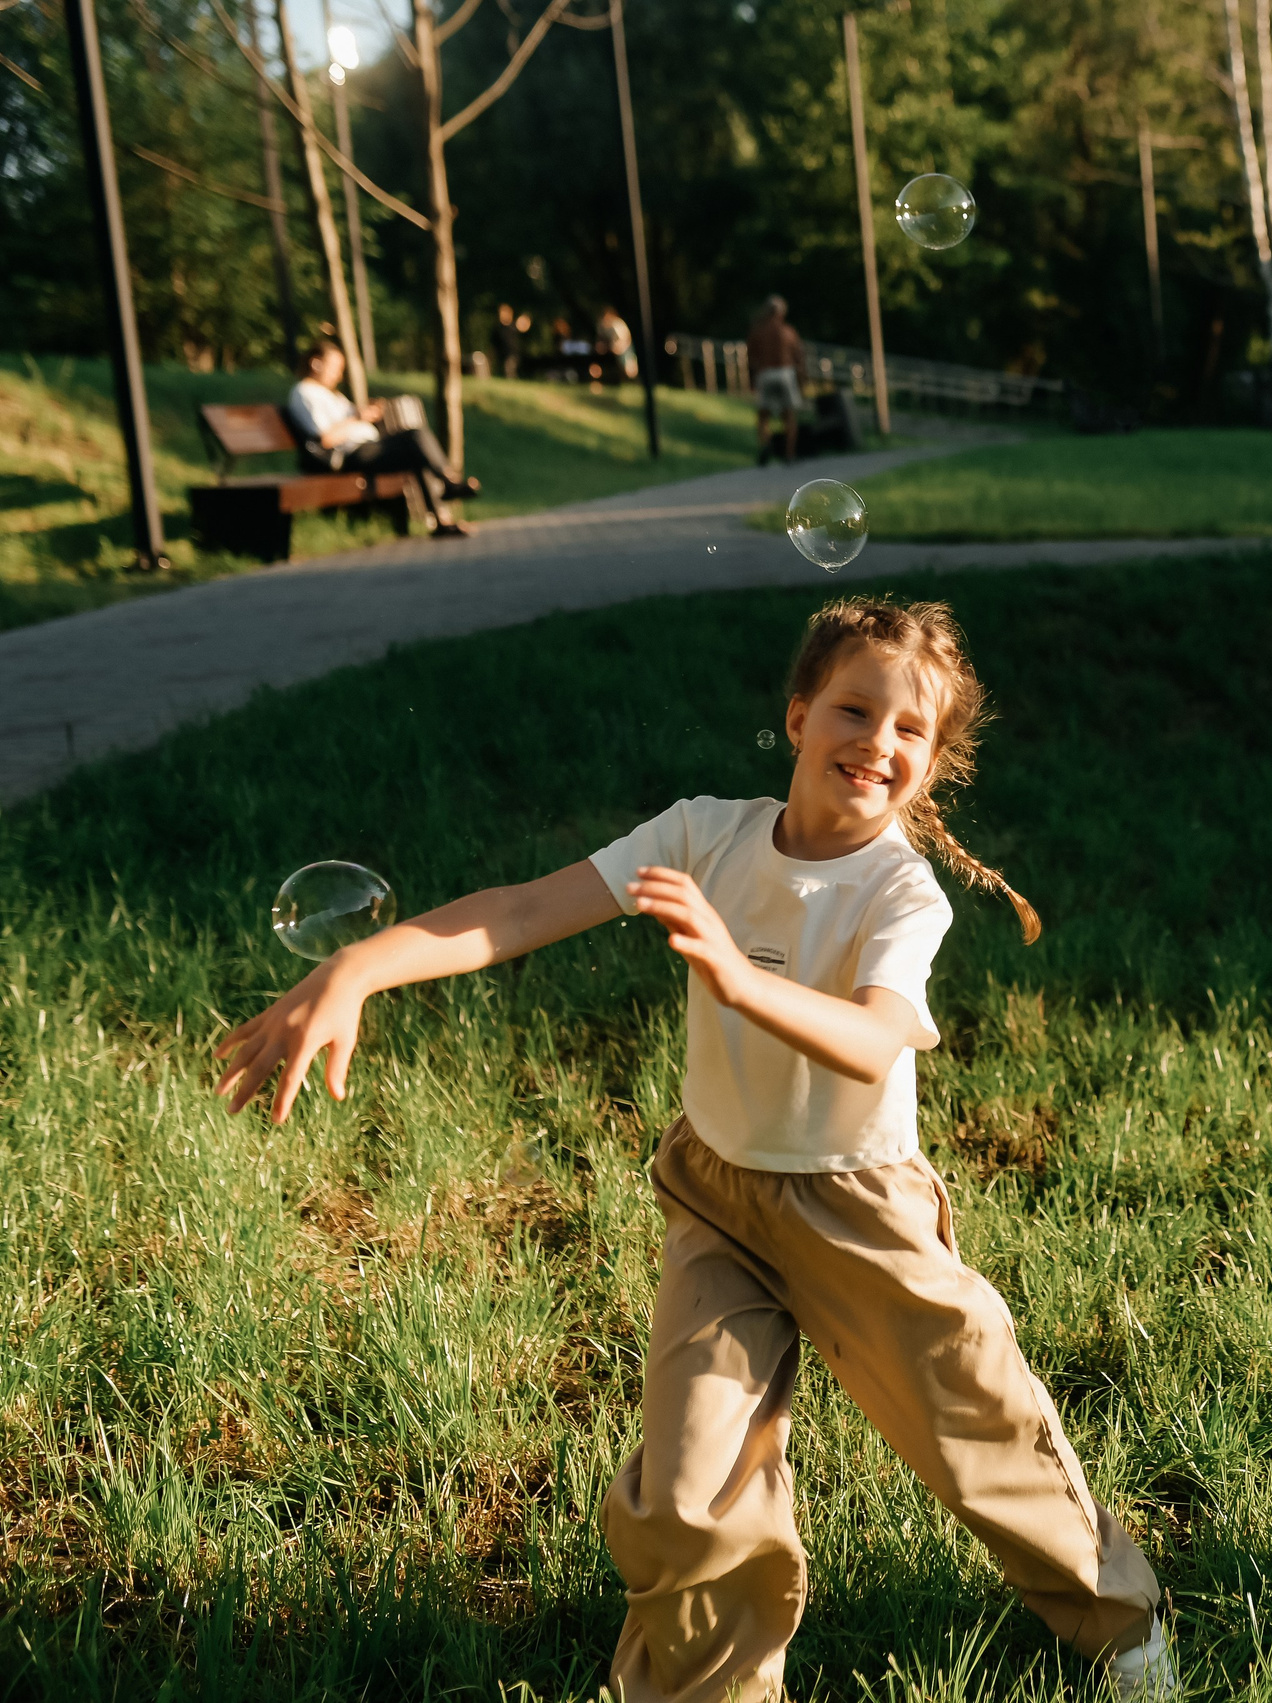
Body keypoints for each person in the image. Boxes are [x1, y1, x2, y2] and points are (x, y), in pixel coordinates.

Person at [209, 596, 1177, 1703]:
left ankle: (1123, 1622)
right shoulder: (703, 832)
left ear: (933, 762)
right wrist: (358, 968)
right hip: (718, 1194)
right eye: (855, 709)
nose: (879, 741)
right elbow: (525, 908)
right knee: (683, 1493)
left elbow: (871, 1038)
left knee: (979, 1432)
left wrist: (738, 975)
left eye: (913, 730)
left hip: (858, 1205)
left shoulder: (900, 891)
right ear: (800, 714)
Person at [285, 341, 474, 537]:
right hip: (350, 454)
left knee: (416, 452)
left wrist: (369, 412)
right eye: (335, 368)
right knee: (415, 436)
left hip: (366, 448)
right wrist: (358, 418)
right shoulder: (305, 393)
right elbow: (325, 439)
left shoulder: (330, 394)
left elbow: (351, 417)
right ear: (316, 364)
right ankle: (449, 482)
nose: (339, 375)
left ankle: (442, 520)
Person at [748, 294, 804, 465]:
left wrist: (752, 381)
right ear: (782, 313)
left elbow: (750, 359)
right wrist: (802, 382)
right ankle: (789, 454)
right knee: (789, 416)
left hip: (765, 374)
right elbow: (799, 358)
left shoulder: (758, 332)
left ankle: (765, 444)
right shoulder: (789, 332)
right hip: (785, 374)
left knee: (763, 416)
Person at [598, 305, 637, 381]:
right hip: (612, 349)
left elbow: (625, 339)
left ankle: (633, 380)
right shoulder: (602, 325)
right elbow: (601, 339)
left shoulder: (617, 324)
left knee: (629, 368)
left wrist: (618, 348)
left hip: (624, 347)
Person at [496, 301, 524, 379]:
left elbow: (523, 326)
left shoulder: (513, 326)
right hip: (504, 353)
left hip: (512, 353)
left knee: (510, 371)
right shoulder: (500, 327)